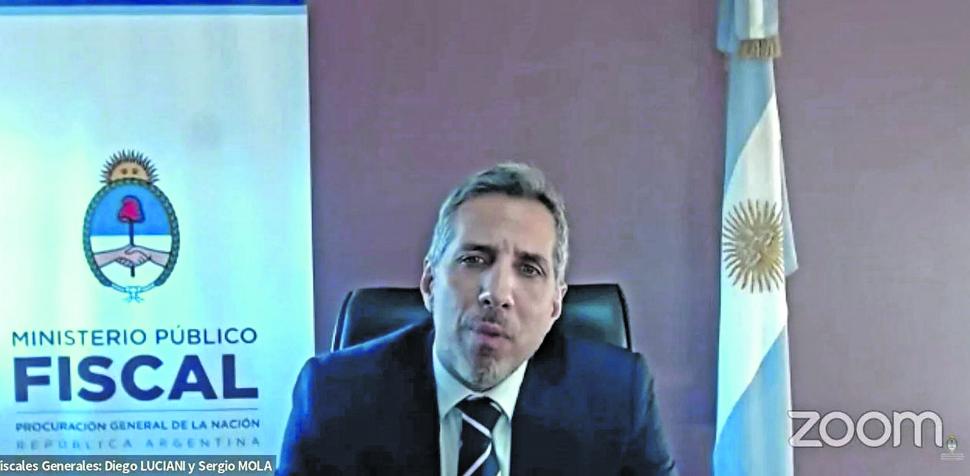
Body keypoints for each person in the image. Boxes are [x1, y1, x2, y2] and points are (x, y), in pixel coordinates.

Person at [278, 163, 677, 475]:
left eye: (529, 269)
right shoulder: (333, 396)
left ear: (555, 306)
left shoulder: (617, 399)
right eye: (474, 259)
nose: (497, 293)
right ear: (429, 283)